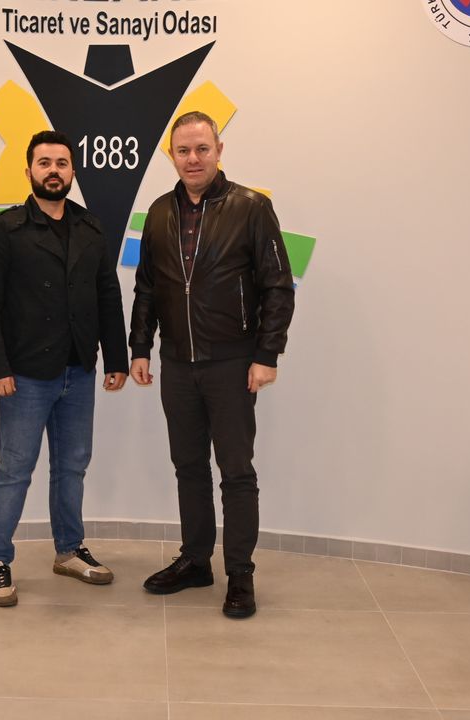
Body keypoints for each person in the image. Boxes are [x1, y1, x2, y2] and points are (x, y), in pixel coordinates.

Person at [129, 111, 294, 619]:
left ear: (219, 150)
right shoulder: (159, 212)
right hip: (178, 365)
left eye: (202, 148)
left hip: (232, 363)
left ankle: (240, 574)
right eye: (183, 150)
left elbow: (277, 286)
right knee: (188, 467)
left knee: (236, 472)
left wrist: (266, 355)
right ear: (171, 155)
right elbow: (147, 288)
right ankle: (196, 561)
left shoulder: (251, 207)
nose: (193, 159)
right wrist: (140, 347)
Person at [0, 130, 129, 607]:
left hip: (78, 371)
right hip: (23, 375)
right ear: (29, 171)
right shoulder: (6, 229)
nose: (53, 171)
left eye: (62, 163)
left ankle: (68, 550)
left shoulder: (90, 227)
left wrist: (116, 358)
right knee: (14, 469)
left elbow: (107, 295)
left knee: (72, 466)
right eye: (44, 163)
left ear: (72, 171)